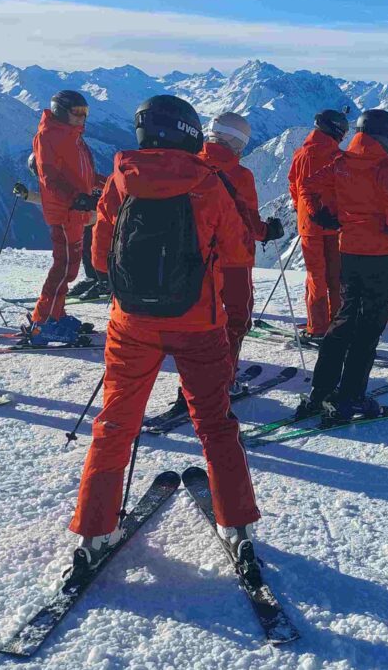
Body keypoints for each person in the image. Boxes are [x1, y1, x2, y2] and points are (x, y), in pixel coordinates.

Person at [67, 95, 262, 588]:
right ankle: (236, 523)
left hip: (131, 325)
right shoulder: (209, 183)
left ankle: (94, 530)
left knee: (115, 424)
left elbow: (100, 259)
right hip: (200, 325)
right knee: (215, 424)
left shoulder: (120, 179)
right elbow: (238, 252)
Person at [295, 108, 388, 424]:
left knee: (344, 320)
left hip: (348, 250)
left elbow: (306, 185)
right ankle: (351, 397)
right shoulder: (386, 165)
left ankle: (320, 392)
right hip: (379, 255)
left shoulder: (342, 162)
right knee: (369, 327)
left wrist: (320, 214)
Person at [200, 112, 285, 393]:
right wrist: (268, 231)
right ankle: (222, 383)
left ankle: (195, 382)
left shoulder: (192, 165)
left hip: (198, 260)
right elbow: (248, 221)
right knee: (236, 320)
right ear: (237, 142)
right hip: (234, 259)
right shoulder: (240, 175)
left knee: (201, 321)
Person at [28, 90, 102, 345]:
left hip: (76, 212)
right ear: (61, 111)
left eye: (85, 112)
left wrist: (110, 183)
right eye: (77, 112)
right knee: (63, 269)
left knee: (69, 268)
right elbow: (49, 177)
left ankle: (55, 315)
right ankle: (42, 323)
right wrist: (75, 198)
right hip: (64, 212)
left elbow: (85, 175)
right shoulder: (48, 136)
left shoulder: (74, 137)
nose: (82, 117)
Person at [287, 109, 350, 342]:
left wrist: (302, 211)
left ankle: (318, 326)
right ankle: (338, 322)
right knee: (336, 275)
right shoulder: (338, 156)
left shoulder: (300, 154)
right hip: (334, 223)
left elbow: (294, 186)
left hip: (309, 225)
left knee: (316, 276)